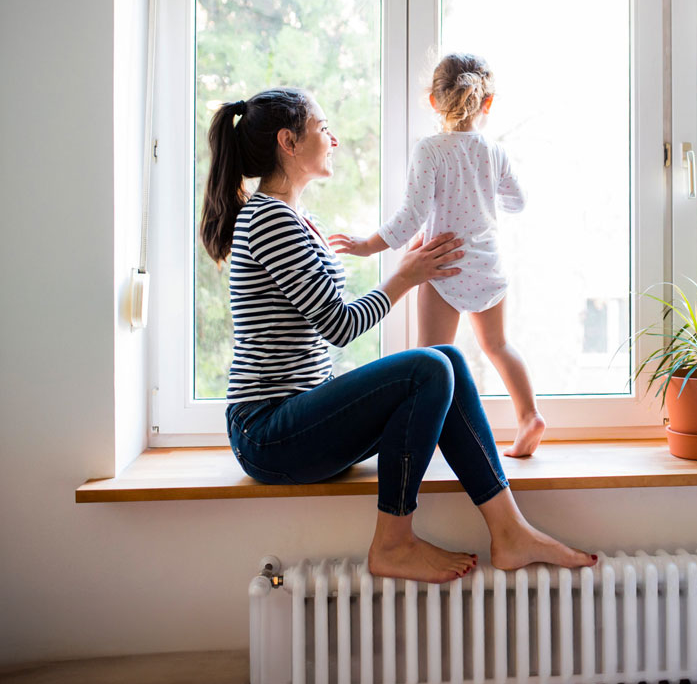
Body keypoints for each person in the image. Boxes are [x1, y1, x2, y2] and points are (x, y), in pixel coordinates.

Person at [200, 87, 594, 585]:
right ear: (289, 142)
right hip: (267, 432)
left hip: (298, 416)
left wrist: (405, 269)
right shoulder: (270, 219)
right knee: (428, 366)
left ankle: (510, 531)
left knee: (445, 358)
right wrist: (405, 276)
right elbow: (338, 325)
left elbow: (322, 318)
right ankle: (393, 541)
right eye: (323, 128)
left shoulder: (297, 219)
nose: (334, 138)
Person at [334, 54, 545, 458]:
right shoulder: (493, 151)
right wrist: (484, 190)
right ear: (488, 103)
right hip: (487, 266)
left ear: (432, 100)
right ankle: (529, 415)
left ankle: (424, 440)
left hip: (441, 266)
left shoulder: (429, 151)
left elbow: (410, 217)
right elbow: (518, 201)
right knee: (499, 346)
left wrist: (365, 245)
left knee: (429, 359)